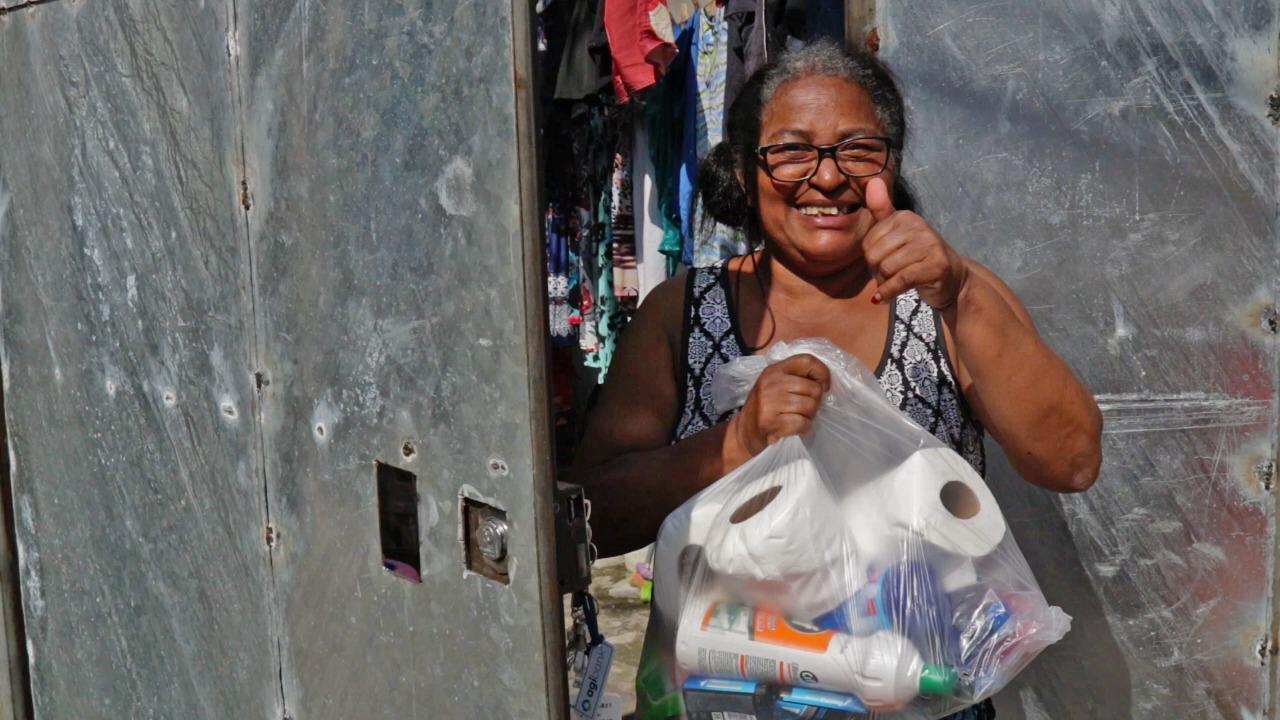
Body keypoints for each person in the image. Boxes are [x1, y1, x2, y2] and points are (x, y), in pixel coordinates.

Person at [573, 40, 1103, 720]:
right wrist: (735, 445)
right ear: (745, 168)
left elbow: (1072, 460)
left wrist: (961, 293)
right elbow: (593, 518)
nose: (826, 179)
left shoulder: (946, 300)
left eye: (857, 149)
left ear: (891, 163)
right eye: (792, 150)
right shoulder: (681, 311)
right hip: (730, 698)